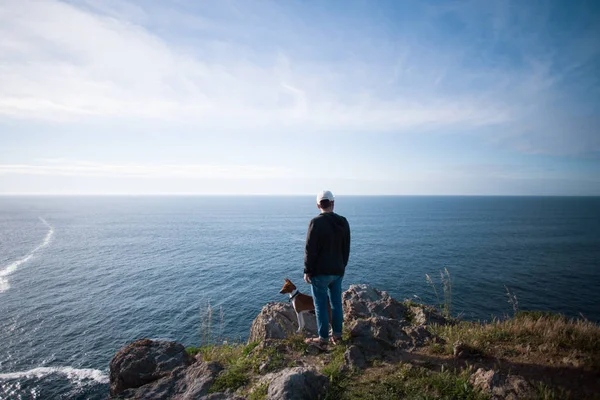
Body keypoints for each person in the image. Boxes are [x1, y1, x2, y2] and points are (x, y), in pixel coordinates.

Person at [303, 190, 351, 347]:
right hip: (337, 270)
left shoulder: (315, 222)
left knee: (321, 305)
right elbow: (346, 248)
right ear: (332, 203)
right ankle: (337, 335)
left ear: (318, 205)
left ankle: (323, 338)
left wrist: (307, 270)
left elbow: (310, 249)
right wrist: (342, 266)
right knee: (337, 303)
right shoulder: (343, 221)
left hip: (320, 273)